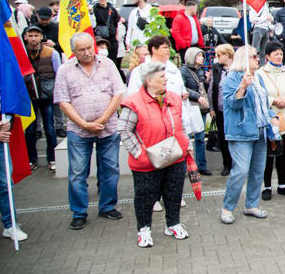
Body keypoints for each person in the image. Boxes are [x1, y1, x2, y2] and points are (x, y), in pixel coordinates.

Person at [53, 32, 126, 230]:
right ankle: (79, 212)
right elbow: (63, 102)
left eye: (89, 48)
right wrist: (84, 124)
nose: (87, 53)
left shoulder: (108, 64)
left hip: (108, 127)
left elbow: (118, 93)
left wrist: (101, 120)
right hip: (78, 130)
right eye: (81, 50)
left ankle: (108, 206)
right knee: (77, 173)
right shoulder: (65, 70)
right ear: (73, 51)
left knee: (110, 169)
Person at [118, 61, 192, 247]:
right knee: (145, 196)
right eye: (162, 76)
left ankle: (173, 224)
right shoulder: (133, 102)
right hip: (147, 161)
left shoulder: (174, 98)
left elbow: (181, 123)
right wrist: (140, 154)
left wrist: (185, 144)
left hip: (174, 156)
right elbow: (124, 130)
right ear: (149, 80)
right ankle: (144, 230)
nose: (166, 79)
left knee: (173, 193)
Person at [220, 46, 279, 224]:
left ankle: (251, 205)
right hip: (241, 133)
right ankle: (227, 208)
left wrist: (271, 115)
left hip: (260, 131)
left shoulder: (258, 77)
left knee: (257, 171)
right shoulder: (232, 78)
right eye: (254, 56)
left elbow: (262, 103)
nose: (257, 58)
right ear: (243, 59)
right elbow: (231, 104)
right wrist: (242, 87)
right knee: (240, 171)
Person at [257, 41, 285, 201]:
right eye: (275, 53)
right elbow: (258, 94)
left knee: (283, 154)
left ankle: (282, 185)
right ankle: (267, 186)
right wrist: (273, 100)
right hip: (270, 120)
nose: (279, 56)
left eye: (281, 53)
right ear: (267, 56)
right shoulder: (260, 73)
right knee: (269, 155)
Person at [22, 25, 60, 171]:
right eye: (30, 35)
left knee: (50, 128)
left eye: (36, 35)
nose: (33, 39)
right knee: (30, 130)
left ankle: (52, 159)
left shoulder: (51, 53)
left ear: (41, 37)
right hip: (28, 97)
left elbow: (58, 74)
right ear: (25, 37)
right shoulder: (21, 53)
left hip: (46, 96)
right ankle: (31, 160)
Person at [0, 84, 28, 242]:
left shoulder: (1, 80)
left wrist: (8, 122)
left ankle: (10, 225)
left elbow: (7, 105)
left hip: (0, 143)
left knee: (5, 184)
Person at [180, 47, 211, 176]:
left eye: (202, 56)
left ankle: (201, 166)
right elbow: (182, 88)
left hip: (201, 108)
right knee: (187, 138)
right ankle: (189, 167)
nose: (202, 58)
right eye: (199, 56)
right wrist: (196, 96)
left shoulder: (200, 71)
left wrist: (208, 80)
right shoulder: (183, 71)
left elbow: (203, 87)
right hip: (191, 107)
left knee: (200, 137)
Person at [208, 44, 235, 176]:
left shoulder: (236, 69)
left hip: (234, 110)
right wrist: (211, 107)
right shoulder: (217, 69)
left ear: (227, 55)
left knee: (235, 138)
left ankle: (236, 164)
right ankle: (227, 164)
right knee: (223, 138)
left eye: (219, 55)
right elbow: (212, 88)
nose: (217, 58)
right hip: (220, 110)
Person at [93, 0, 122, 71]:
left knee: (113, 61)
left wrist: (116, 38)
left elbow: (116, 24)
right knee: (101, 61)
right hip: (101, 39)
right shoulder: (95, 9)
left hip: (112, 39)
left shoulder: (112, 9)